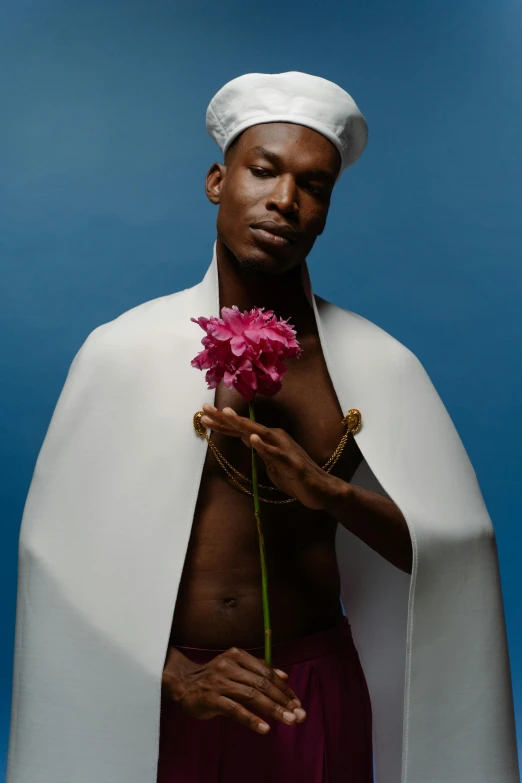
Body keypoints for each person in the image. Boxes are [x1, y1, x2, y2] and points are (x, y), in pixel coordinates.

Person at [6, 72, 519, 783]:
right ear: (219, 180)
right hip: (166, 695)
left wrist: (329, 492)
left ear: (327, 211)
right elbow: (53, 558)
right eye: (264, 170)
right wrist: (173, 674)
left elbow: (453, 552)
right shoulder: (122, 349)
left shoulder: (376, 362)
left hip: (311, 694)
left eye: (313, 185)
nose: (285, 200)